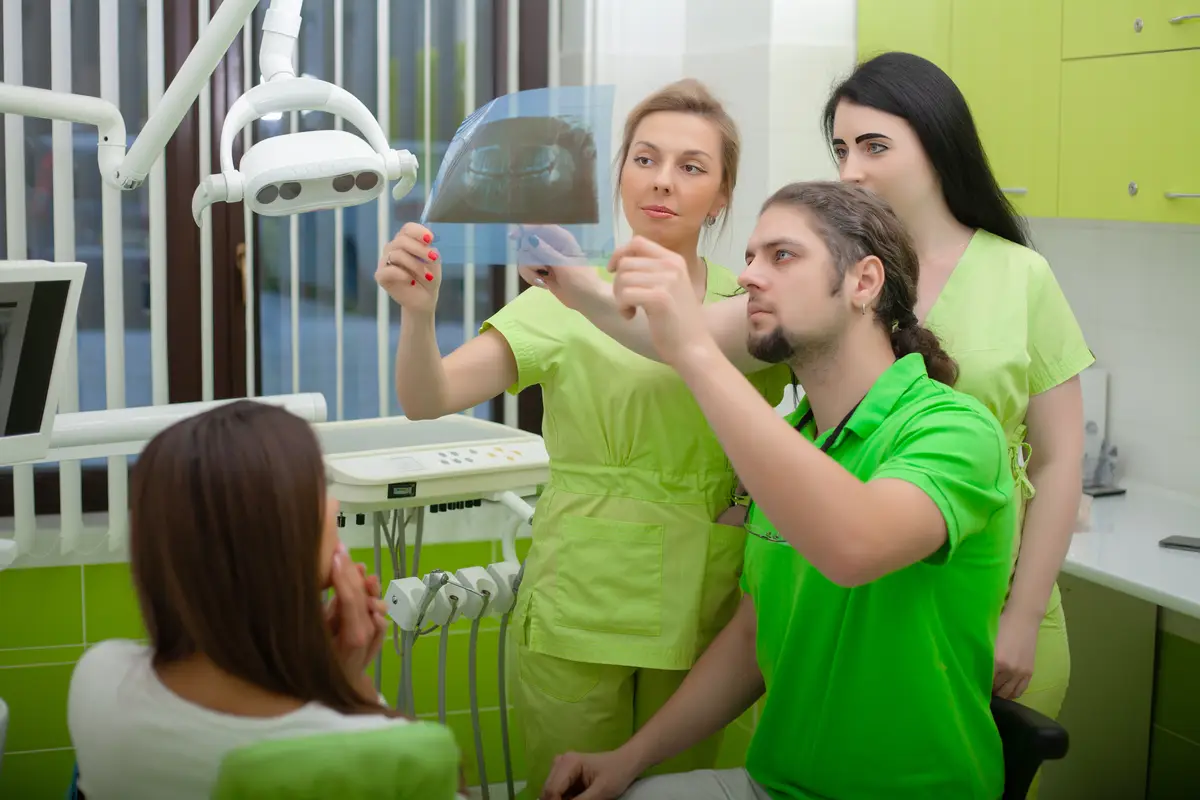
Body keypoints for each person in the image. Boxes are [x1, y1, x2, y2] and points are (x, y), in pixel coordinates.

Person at [531, 52, 1090, 749]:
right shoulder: (826, 281)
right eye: (841, 148)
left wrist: (1024, 617)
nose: (851, 168)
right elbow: (688, 337)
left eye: (875, 146)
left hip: (983, 601)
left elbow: (1063, 459)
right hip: (863, 605)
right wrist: (571, 283)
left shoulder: (1018, 278)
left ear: (938, 144)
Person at [374, 79, 792, 795]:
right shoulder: (561, 296)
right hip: (581, 600)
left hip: (709, 602)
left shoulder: (746, 307)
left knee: (688, 790)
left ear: (723, 195)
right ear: (619, 173)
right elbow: (427, 396)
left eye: (692, 167)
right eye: (645, 159)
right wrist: (419, 315)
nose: (663, 181)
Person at [538, 180, 1016, 800]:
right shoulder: (796, 441)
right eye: (750, 258)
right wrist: (630, 758)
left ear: (864, 283)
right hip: (776, 785)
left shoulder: (953, 429)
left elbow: (854, 545)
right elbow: (748, 638)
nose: (750, 278)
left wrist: (691, 349)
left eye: (782, 256)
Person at [66, 401, 425, 800]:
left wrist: (321, 677)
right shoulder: (379, 754)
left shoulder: (99, 682)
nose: (335, 505)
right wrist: (353, 692)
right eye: (320, 486)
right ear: (278, 540)